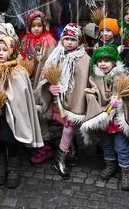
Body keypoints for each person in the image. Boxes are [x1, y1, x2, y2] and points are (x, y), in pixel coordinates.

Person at [0, 34, 45, 188]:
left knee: (11, 141)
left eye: (4, 50)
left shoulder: (19, 72)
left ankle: (13, 169)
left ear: (12, 51)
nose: (0, 53)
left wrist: (7, 101)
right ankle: (1, 168)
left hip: (13, 115)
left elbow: (21, 95)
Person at [79, 45, 129, 190]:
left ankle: (125, 169)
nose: (102, 64)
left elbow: (128, 93)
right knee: (106, 145)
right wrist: (91, 93)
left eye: (106, 60)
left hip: (117, 121)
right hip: (103, 119)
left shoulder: (121, 77)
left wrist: (120, 100)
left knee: (121, 146)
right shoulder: (95, 77)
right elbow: (94, 91)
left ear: (114, 62)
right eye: (99, 61)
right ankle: (110, 165)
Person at [38, 23, 90, 179]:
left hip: (73, 102)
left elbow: (83, 81)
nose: (69, 42)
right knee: (67, 126)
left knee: (69, 126)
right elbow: (46, 75)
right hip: (57, 101)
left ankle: (60, 159)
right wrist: (49, 87)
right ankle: (70, 151)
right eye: (66, 38)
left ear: (79, 41)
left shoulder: (84, 58)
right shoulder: (56, 54)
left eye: (73, 39)